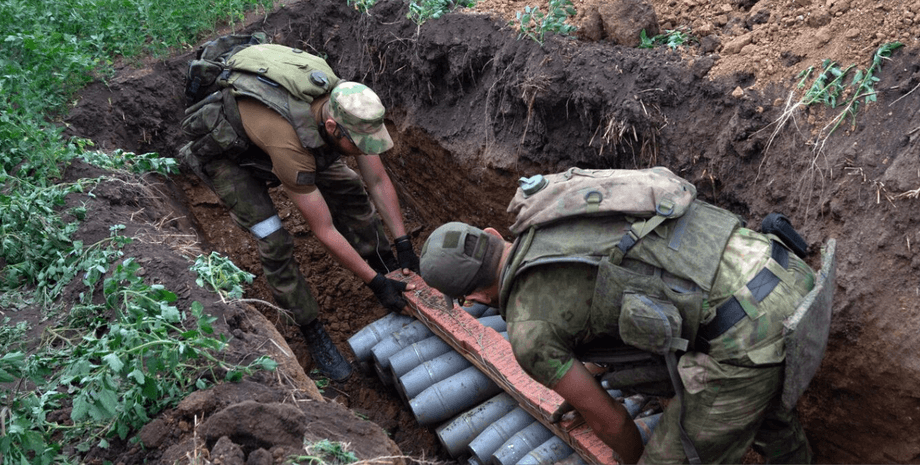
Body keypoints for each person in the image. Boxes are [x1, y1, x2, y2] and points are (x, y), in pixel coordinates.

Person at [418, 182, 819, 464]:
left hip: (748, 331)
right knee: (761, 409)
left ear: (472, 299)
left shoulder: (528, 332)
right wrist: (582, 377)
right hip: (784, 265)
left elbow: (609, 420)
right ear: (491, 233)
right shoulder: (551, 209)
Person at [180, 45, 417, 382]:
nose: (366, 149)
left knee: (350, 191)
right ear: (334, 128)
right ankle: (311, 327)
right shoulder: (288, 143)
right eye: (358, 143)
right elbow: (323, 228)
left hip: (296, 133)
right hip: (230, 153)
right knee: (273, 239)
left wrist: (403, 243)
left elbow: (376, 179)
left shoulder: (349, 105)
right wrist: (376, 285)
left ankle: (383, 262)